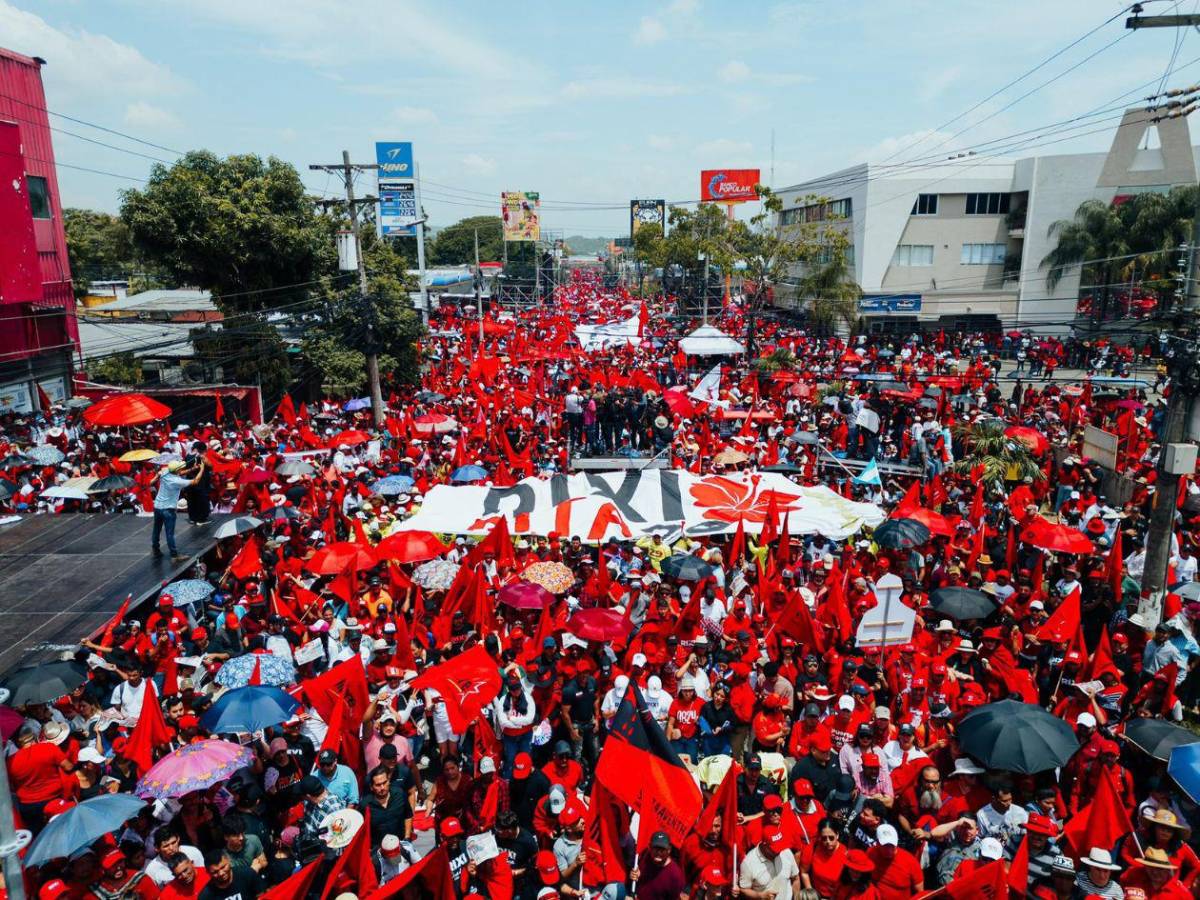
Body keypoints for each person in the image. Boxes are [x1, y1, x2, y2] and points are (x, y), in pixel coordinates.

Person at [152, 458, 206, 560]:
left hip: (158, 507)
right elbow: (195, 481)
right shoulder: (177, 481)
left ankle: (155, 549)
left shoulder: (165, 472)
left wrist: (193, 468)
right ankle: (174, 555)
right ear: (176, 470)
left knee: (156, 530)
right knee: (169, 533)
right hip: (168, 509)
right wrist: (201, 469)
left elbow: (180, 472)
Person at [739, 830, 800, 900]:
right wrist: (760, 895)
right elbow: (744, 890)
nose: (779, 852)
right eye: (775, 849)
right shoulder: (748, 863)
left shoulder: (786, 851)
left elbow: (795, 878)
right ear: (764, 845)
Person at [198, 849, 262, 900]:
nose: (221, 873)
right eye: (215, 872)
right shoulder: (205, 896)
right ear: (208, 873)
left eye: (223, 867)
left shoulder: (247, 874)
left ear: (229, 861)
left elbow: (263, 896)